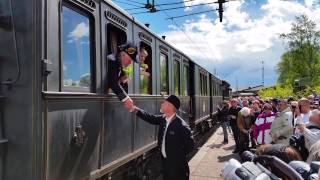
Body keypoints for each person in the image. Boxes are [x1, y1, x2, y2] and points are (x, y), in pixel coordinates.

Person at [131, 95, 195, 180]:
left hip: (178, 167)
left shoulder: (181, 126)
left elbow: (190, 145)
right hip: (166, 163)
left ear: (170, 106)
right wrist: (135, 109)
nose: (161, 104)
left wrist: (177, 156)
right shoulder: (163, 119)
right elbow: (150, 118)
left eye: (164, 103)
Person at [107, 42, 138, 110]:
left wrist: (123, 77)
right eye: (130, 60)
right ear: (123, 54)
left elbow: (117, 77)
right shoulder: (112, 61)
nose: (130, 63)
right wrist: (126, 98)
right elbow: (113, 83)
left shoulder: (118, 63)